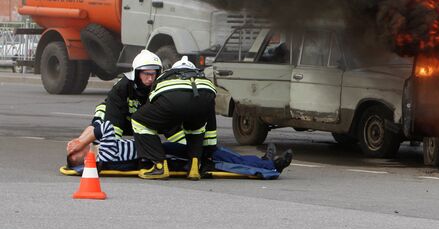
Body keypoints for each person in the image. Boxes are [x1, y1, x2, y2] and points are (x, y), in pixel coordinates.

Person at [66, 119, 292, 177]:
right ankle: (270, 167)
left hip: (162, 150)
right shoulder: (104, 154)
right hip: (165, 154)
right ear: (79, 158)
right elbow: (102, 125)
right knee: (218, 160)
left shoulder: (104, 153)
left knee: (215, 151)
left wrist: (83, 142)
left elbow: (101, 127)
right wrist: (80, 140)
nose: (75, 146)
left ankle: (263, 161)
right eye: (74, 151)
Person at [66, 49, 176, 160]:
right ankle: (77, 147)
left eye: (154, 74)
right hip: (123, 121)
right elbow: (112, 121)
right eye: (146, 74)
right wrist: (113, 148)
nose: (151, 78)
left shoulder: (160, 86)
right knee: (101, 115)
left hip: (148, 124)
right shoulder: (122, 87)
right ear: (137, 73)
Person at [131, 56, 218, 180]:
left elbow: (152, 101)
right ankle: (194, 167)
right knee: (196, 128)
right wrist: (209, 153)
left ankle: (159, 165)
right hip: (204, 99)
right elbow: (210, 123)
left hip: (173, 100)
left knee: (139, 120)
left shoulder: (166, 75)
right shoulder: (201, 77)